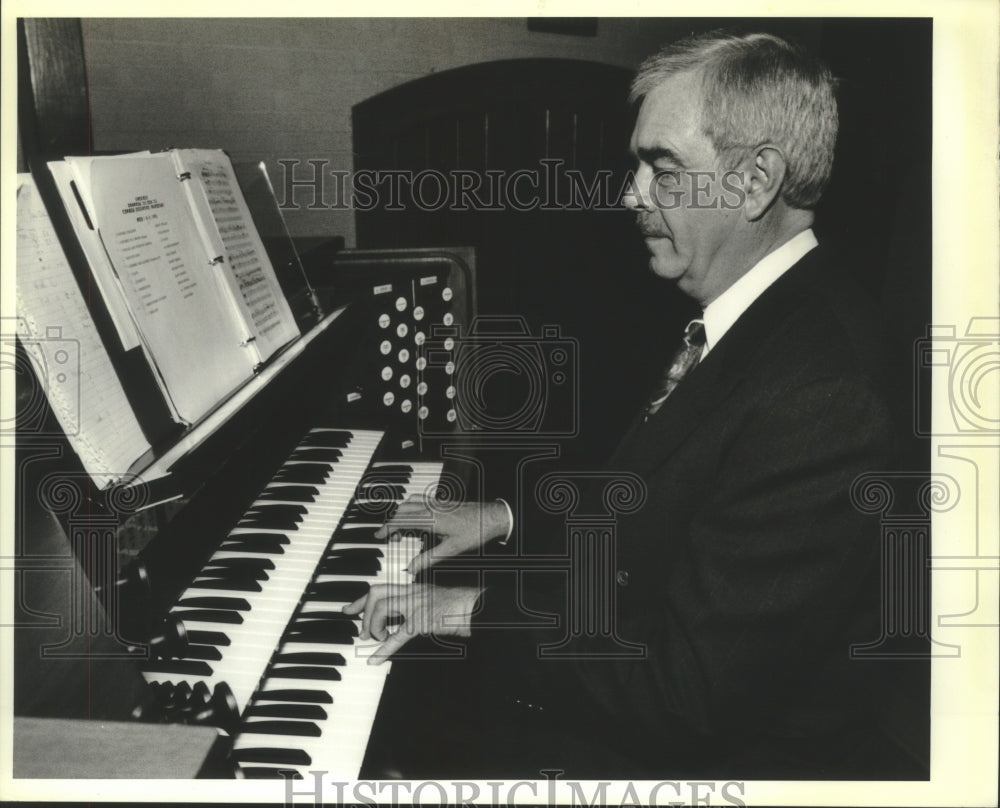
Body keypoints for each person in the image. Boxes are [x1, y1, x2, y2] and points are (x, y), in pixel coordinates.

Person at [346, 31, 916, 778]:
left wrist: (470, 611)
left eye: (661, 167)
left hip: (733, 762)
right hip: (651, 668)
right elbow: (670, 493)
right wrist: (505, 518)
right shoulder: (761, 313)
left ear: (754, 180)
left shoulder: (822, 394)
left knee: (392, 749)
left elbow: (687, 691)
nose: (630, 194)